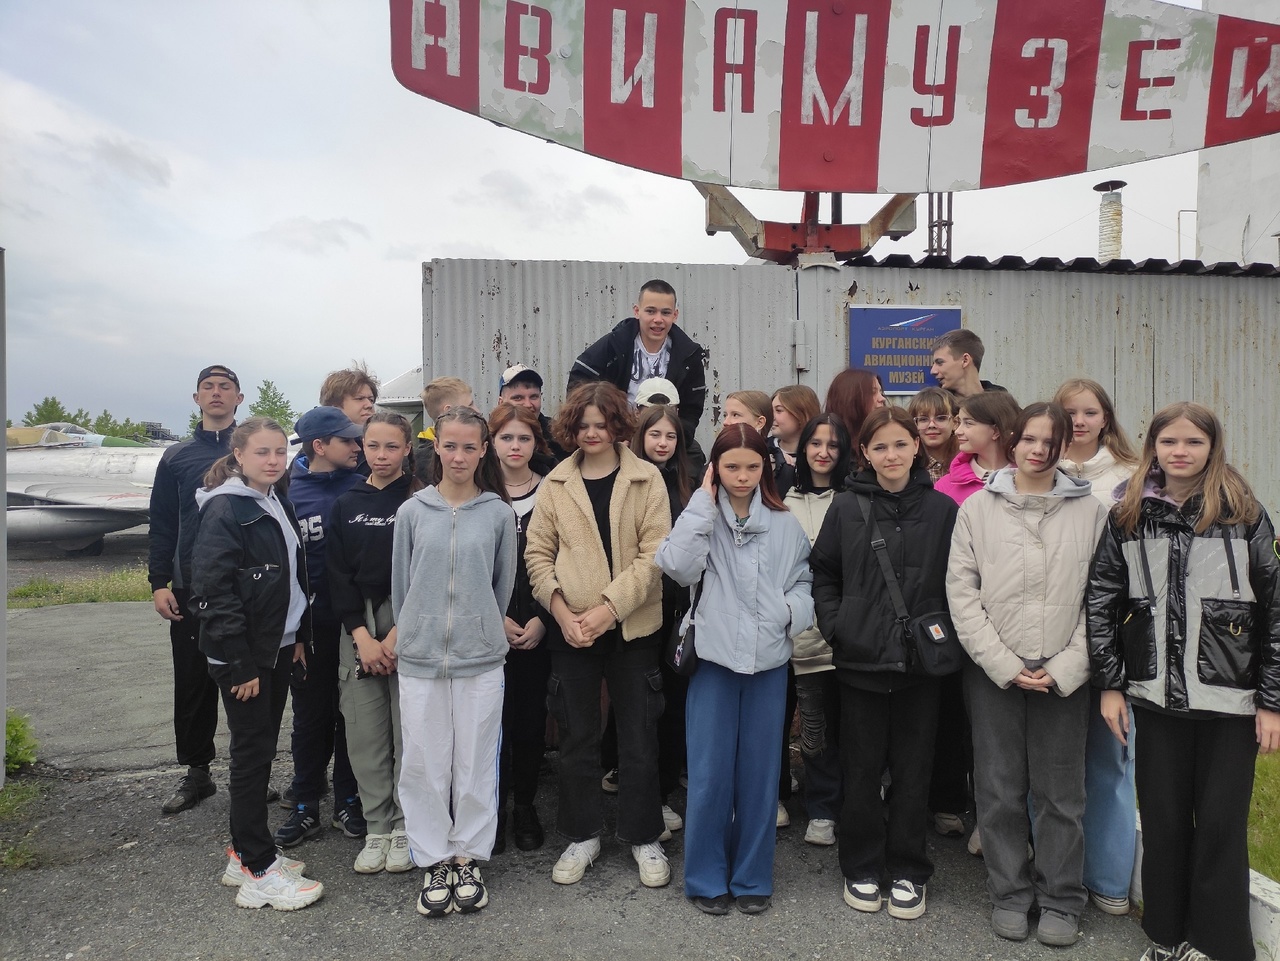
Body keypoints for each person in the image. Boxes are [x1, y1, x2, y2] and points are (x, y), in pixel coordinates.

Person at [1086, 402, 1280, 961]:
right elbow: (1103, 598)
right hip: (1154, 696)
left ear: (1212, 448)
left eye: (1193, 442)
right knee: (1167, 823)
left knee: (1220, 824)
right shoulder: (1128, 513)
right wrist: (1111, 684)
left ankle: (1217, 945)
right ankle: (1166, 937)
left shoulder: (1245, 513)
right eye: (1169, 441)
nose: (1180, 452)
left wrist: (1271, 702)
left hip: (1231, 701)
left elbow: (1274, 610)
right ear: (1153, 447)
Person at [947, 402, 1108, 947]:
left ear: (1064, 447)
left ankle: (1062, 898)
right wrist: (1005, 664)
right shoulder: (978, 509)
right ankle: (1010, 894)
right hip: (994, 672)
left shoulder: (1091, 512)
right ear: (1010, 441)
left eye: (1051, 441)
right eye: (1030, 439)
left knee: (1062, 794)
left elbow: (1101, 602)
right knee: (998, 791)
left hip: (1065, 675)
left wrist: (1067, 667)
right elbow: (961, 594)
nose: (1039, 450)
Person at [655, 424, 814, 915]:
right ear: (714, 469)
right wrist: (702, 505)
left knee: (761, 777)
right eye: (731, 467)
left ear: (765, 467)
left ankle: (751, 877)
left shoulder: (785, 523)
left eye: (751, 466)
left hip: (769, 663)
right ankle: (705, 879)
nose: (742, 477)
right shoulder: (701, 517)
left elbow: (804, 581)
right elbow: (676, 566)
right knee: (708, 775)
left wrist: (790, 614)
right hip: (715, 664)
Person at [810, 407, 958, 921]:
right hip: (859, 663)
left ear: (917, 447)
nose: (891, 455)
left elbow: (961, 583)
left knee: (915, 773)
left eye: (900, 444)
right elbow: (823, 573)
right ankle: (862, 865)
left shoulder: (943, 511)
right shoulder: (847, 507)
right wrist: (839, 625)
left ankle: (910, 870)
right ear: (865, 455)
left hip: (922, 667)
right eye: (880, 447)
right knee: (862, 770)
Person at [524, 382, 672, 890]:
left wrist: (608, 609)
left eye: (601, 423)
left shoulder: (645, 478)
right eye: (583, 425)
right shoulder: (556, 483)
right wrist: (562, 613)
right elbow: (537, 556)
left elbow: (655, 556)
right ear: (571, 428)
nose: (592, 433)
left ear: (618, 425)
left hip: (632, 628)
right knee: (576, 737)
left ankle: (642, 834)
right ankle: (582, 834)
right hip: (571, 631)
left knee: (639, 737)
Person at [191, 417, 324, 910]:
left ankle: (241, 854)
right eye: (262, 453)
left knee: (263, 751)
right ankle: (257, 868)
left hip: (276, 648)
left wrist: (296, 640)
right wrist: (239, 663)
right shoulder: (226, 509)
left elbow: (289, 582)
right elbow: (211, 591)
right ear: (239, 456)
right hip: (244, 659)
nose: (273, 461)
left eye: (279, 453)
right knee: (251, 757)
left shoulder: (274, 501)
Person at [392, 406, 516, 917]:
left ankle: (467, 855)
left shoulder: (498, 513)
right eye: (451, 445)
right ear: (435, 448)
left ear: (483, 450)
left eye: (470, 446)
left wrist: (483, 628)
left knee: (475, 761)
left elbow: (502, 585)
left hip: (480, 658)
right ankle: (433, 858)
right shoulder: (412, 512)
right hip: (421, 657)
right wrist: (415, 632)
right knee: (423, 760)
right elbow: (403, 584)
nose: (460, 455)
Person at [1054, 377, 1140, 917]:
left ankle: (1107, 876)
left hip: (1114, 627)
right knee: (1054, 759)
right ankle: (1056, 868)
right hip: (1052, 628)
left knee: (1111, 754)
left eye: (1090, 412)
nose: (1080, 421)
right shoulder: (1037, 468)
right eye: (1070, 412)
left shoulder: (1132, 478)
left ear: (1106, 418)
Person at [325, 412, 420, 876]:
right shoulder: (346, 503)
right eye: (373, 446)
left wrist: (398, 635)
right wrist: (362, 636)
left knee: (409, 733)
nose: (382, 456)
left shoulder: (421, 499)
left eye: (392, 447)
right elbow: (335, 573)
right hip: (359, 627)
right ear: (362, 447)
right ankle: (377, 825)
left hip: (409, 620)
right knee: (366, 734)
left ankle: (405, 824)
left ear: (407, 450)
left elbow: (426, 570)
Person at [149, 364, 244, 814]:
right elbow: (163, 522)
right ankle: (197, 773)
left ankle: (250, 769)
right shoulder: (177, 457)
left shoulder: (252, 448)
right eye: (208, 387)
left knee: (247, 677)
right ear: (197, 399)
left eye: (225, 387)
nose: (217, 393)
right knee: (192, 681)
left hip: (244, 584)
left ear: (239, 398)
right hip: (189, 585)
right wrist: (158, 583)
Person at [275, 407, 367, 848]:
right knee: (312, 717)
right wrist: (290, 632)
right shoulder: (287, 492)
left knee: (353, 714)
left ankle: (348, 799)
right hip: (308, 630)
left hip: (356, 626)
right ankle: (305, 802)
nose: (357, 447)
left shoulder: (363, 485)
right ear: (319, 446)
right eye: (347, 441)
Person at [488, 402, 556, 855]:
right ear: (492, 443)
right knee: (491, 728)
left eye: (524, 438)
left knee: (530, 725)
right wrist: (495, 617)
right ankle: (490, 811)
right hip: (488, 631)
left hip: (537, 629)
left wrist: (542, 618)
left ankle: (526, 807)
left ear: (536, 443)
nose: (516, 446)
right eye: (507, 438)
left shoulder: (554, 492)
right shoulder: (478, 493)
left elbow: (564, 559)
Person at [783, 414, 852, 848]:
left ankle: (823, 808)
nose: (823, 452)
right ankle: (772, 796)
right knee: (772, 722)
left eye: (833, 444)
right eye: (815, 443)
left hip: (828, 636)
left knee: (818, 726)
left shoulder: (852, 498)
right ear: (803, 447)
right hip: (777, 632)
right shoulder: (777, 497)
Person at [631, 404, 696, 842]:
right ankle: (643, 797)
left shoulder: (688, 485)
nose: (661, 443)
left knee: (673, 709)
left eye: (669, 436)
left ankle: (665, 793)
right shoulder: (631, 480)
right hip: (639, 611)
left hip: (679, 616)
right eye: (654, 434)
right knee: (643, 712)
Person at [567, 279, 708, 440]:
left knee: (696, 458)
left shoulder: (689, 356)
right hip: (617, 441)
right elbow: (578, 386)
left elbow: (692, 410)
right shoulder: (613, 345)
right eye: (650, 311)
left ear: (675, 315)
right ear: (637, 311)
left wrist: (676, 438)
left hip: (663, 443)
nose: (658, 319)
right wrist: (608, 434)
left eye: (666, 312)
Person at [934, 392, 1021, 506]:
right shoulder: (945, 486)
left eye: (968, 423)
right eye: (959, 422)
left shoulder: (1029, 478)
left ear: (996, 431)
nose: (957, 431)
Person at [499, 363, 569, 469]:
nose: (528, 404)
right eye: (518, 398)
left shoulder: (559, 435)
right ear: (501, 402)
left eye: (533, 397)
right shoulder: (488, 438)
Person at [414, 376, 474, 486]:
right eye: (470, 405)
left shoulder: (416, 457)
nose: (477, 411)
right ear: (448, 411)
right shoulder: (424, 461)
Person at [823, 369, 885, 456]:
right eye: (873, 392)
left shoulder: (886, 435)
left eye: (881, 392)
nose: (882, 398)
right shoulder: (829, 447)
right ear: (852, 399)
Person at [929, 330, 1005, 398]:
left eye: (939, 362)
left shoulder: (1003, 404)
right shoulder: (937, 407)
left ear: (965, 360)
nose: (933, 371)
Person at [907, 387, 958, 483]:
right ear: (914, 424)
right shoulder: (907, 468)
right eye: (923, 419)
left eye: (941, 418)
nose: (931, 425)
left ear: (955, 423)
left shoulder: (969, 463)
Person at [770, 384, 822, 474]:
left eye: (779, 410)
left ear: (802, 414)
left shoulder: (821, 453)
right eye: (771, 411)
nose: (771, 416)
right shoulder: (763, 450)